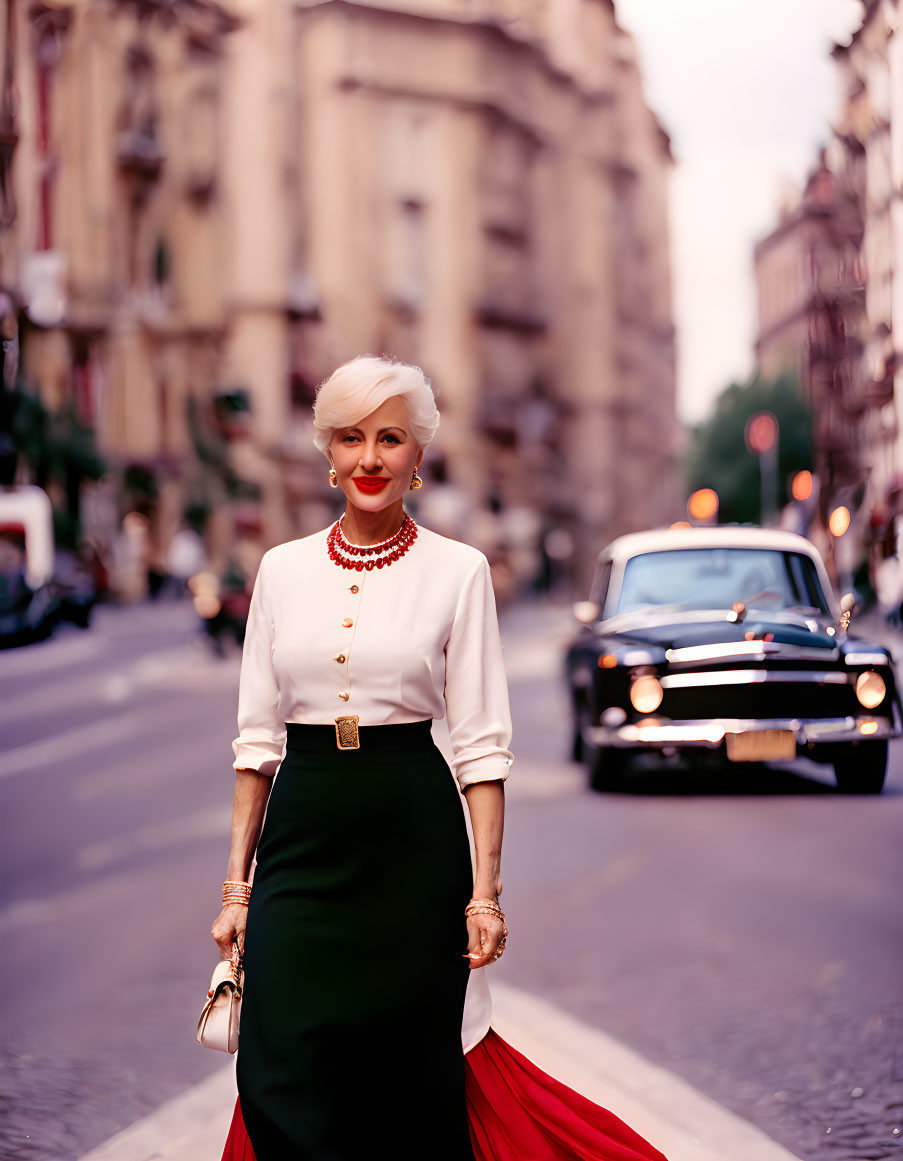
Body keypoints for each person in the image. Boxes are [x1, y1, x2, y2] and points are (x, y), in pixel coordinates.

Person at [212, 355, 668, 1161]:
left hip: (411, 837)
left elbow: (481, 746)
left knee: (405, 1076)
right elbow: (256, 742)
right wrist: (237, 889)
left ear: (418, 456)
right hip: (303, 829)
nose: (370, 458)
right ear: (328, 451)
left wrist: (484, 894)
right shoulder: (280, 571)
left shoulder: (459, 572)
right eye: (350, 438)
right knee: (275, 1063)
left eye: (390, 438)